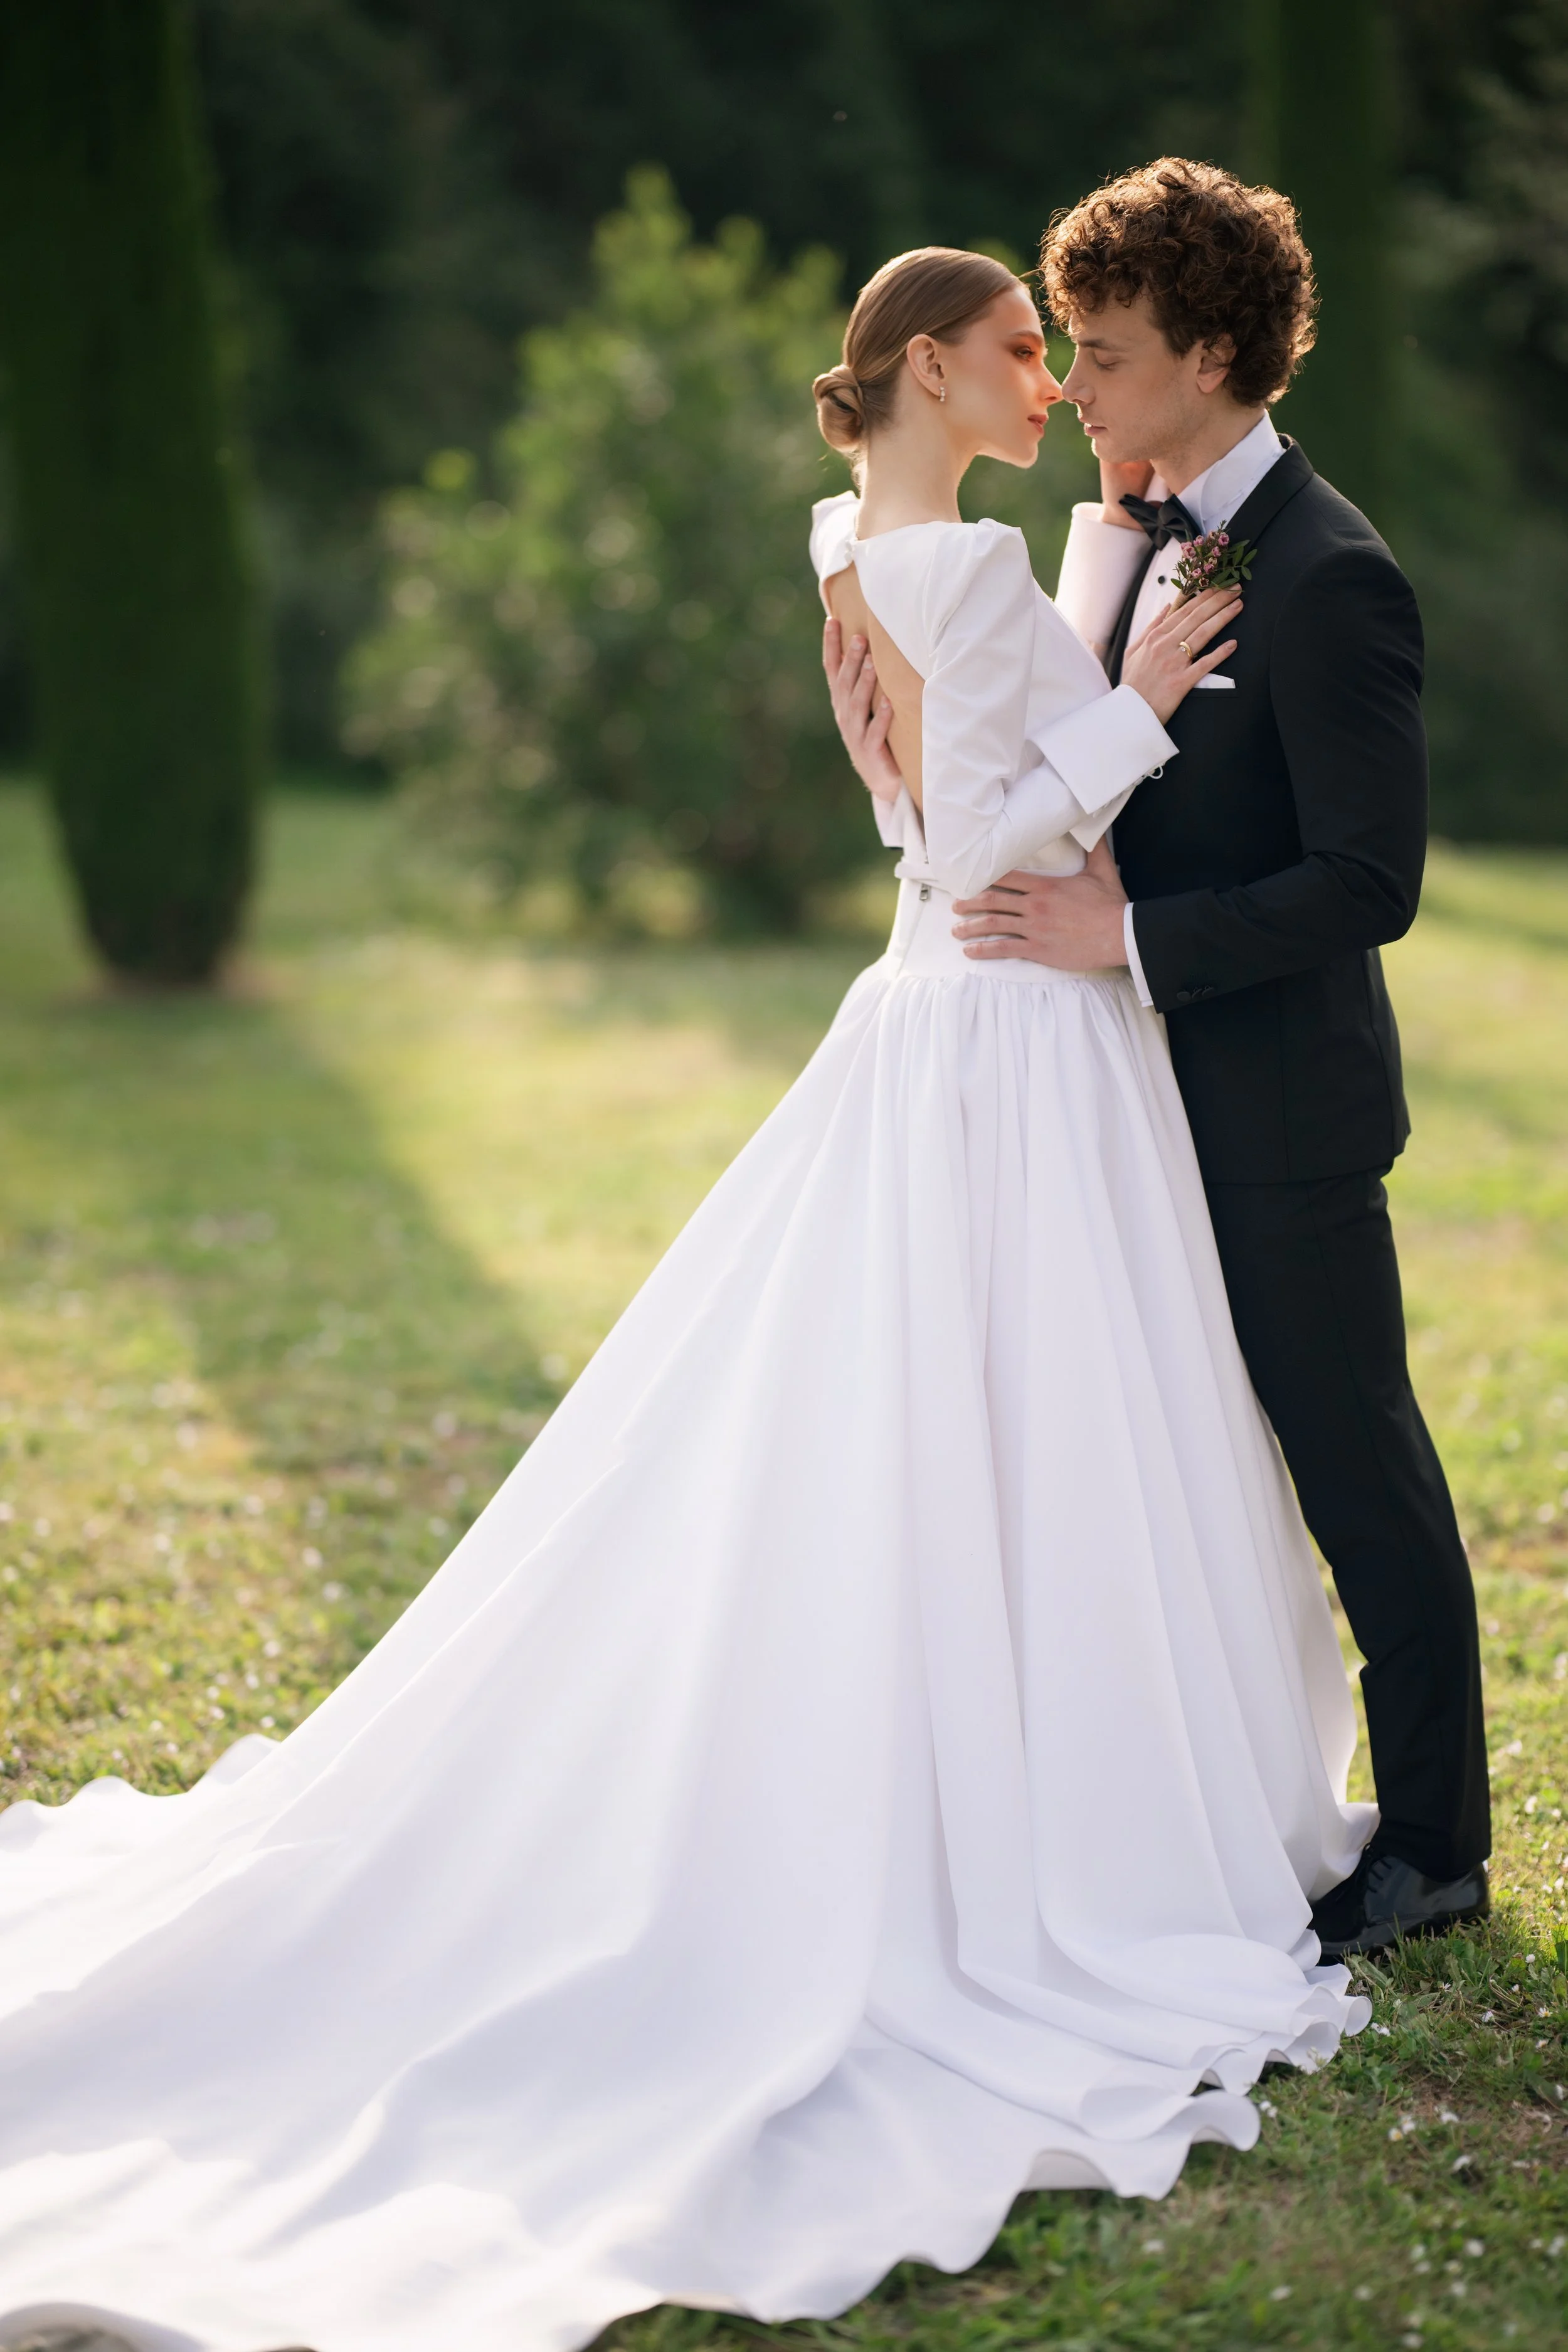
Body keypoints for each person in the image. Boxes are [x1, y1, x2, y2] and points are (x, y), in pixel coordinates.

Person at [0, 246, 1370, 2352]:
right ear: (931, 361)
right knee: (1036, 1425)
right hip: (1010, 1032)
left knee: (933, 1426)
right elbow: (994, 844)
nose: (1047, 383)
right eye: (1022, 352)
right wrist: (1143, 706)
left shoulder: (854, 541)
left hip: (922, 1028)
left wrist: (1090, 655)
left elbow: (915, 818)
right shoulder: (978, 584)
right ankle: (1042, 1819)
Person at [827, 161, 1490, 1960]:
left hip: (1269, 1104)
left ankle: (1431, 1840)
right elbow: (1050, 731)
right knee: (1174, 1475)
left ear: (1210, 352)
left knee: (1351, 1458)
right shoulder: (1141, 524)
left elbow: (1371, 878)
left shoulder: (1333, 578)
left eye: (1107, 353)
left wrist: (1120, 943)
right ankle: (1176, 1801)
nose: (1076, 387)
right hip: (1113, 1102)